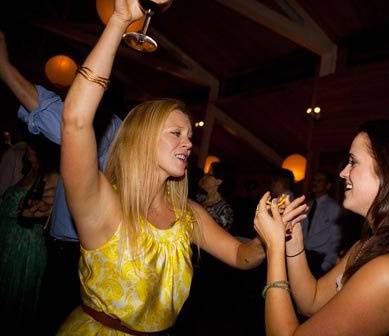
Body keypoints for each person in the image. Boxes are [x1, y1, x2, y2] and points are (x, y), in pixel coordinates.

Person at [57, 1, 265, 334]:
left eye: (190, 135)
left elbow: (242, 256)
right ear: (142, 139)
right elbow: (75, 121)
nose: (188, 143)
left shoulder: (188, 215)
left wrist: (267, 237)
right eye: (176, 133)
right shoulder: (102, 205)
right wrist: (120, 21)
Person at [254, 119, 389, 335]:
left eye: (353, 162)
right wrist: (292, 238)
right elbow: (311, 301)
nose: (342, 173)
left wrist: (274, 249)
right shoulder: (366, 246)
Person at [0, 29, 122, 334]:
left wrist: (6, 70)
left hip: (81, 254)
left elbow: (58, 118)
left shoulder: (110, 131)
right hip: (56, 245)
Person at [0, 135, 58, 333]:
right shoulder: (26, 171)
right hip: (7, 242)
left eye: (36, 146)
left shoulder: (50, 177)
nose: (30, 149)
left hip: (26, 246)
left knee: (17, 299)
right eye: (31, 145)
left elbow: (50, 215)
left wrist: (45, 211)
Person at [302, 170, 342, 277]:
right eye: (314, 180)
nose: (315, 183)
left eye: (319, 180)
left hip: (319, 259)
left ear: (328, 185)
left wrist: (326, 264)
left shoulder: (333, 207)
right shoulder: (307, 205)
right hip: (304, 256)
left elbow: (336, 239)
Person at [197, 161, 234, 231]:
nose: (205, 177)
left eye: (209, 174)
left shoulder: (225, 210)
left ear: (218, 181)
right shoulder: (199, 198)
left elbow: (220, 234)